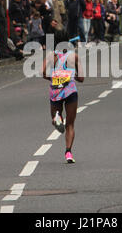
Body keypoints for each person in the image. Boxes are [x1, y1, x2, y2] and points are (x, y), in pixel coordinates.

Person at [42, 30, 84, 164]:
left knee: (55, 119)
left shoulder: (50, 56)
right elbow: (82, 78)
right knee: (70, 124)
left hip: (55, 91)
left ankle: (57, 118)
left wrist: (54, 78)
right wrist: (73, 76)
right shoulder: (74, 56)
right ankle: (68, 152)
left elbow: (42, 72)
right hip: (70, 90)